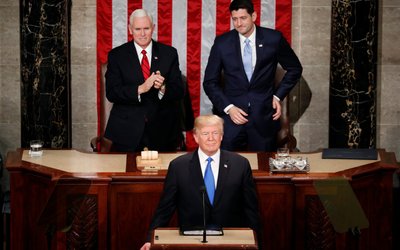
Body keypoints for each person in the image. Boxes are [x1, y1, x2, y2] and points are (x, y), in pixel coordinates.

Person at [140, 114, 261, 250]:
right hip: (191, 241)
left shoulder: (240, 164)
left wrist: (256, 242)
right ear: (196, 137)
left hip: (230, 241)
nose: (211, 138)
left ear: (221, 136)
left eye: (215, 133)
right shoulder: (178, 166)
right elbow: (165, 209)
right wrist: (150, 239)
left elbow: (251, 210)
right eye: (205, 133)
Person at [203, 0, 303, 152]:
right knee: (228, 170)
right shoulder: (222, 43)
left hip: (263, 116)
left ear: (254, 16)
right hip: (232, 119)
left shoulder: (273, 39)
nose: (238, 23)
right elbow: (209, 82)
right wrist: (229, 108)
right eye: (234, 19)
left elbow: (295, 68)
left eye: (243, 18)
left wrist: (277, 96)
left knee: (263, 169)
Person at [104, 9, 185, 152]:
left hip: (163, 130)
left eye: (146, 28)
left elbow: (179, 90)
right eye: (138, 29)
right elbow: (112, 92)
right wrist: (140, 88)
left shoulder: (169, 53)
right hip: (126, 131)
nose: (142, 34)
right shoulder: (116, 55)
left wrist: (163, 88)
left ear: (153, 28)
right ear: (130, 29)